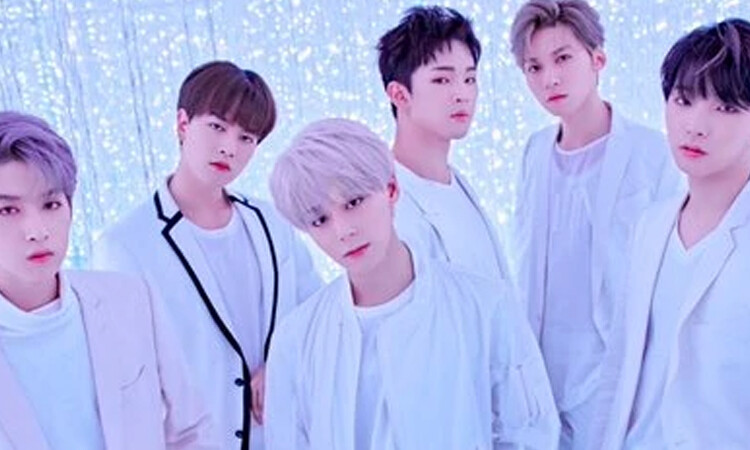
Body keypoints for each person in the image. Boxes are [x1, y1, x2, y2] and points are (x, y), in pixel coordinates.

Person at [263, 118, 559, 449]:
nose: (343, 230)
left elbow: (530, 433)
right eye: (320, 220)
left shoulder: (486, 307)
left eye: (354, 202)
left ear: (391, 189)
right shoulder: (296, 338)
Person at [92, 61, 322, 450]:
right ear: (183, 124)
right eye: (217, 126)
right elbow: (125, 384)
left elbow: (316, 313)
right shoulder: (125, 246)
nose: (229, 147)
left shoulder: (272, 221)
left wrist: (282, 362)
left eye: (246, 137)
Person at [508, 1, 683, 446]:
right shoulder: (534, 154)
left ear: (597, 59)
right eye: (534, 67)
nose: (549, 78)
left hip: (615, 374)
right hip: (543, 378)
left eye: (563, 58)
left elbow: (670, 277)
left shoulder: (652, 153)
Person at [0, 111, 217, 449]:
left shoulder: (128, 300)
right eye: (8, 210)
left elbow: (192, 429)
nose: (37, 231)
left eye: (51, 204)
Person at [600, 18, 750, 449]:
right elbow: (620, 371)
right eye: (684, 100)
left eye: (726, 107)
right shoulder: (650, 227)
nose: (696, 125)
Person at [377, 5, 511, 282]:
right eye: (442, 79)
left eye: (469, 79)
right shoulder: (386, 205)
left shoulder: (458, 184)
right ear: (399, 95)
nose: (462, 94)